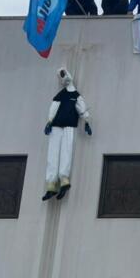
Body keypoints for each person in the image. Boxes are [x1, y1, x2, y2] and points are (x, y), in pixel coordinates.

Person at [42, 68, 92, 201]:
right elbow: (53, 109)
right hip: (56, 126)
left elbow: (82, 109)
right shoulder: (60, 95)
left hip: (70, 126)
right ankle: (51, 185)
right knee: (53, 153)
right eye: (61, 76)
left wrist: (86, 122)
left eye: (64, 75)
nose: (64, 78)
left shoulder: (75, 95)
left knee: (66, 152)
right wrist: (49, 122)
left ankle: (64, 180)